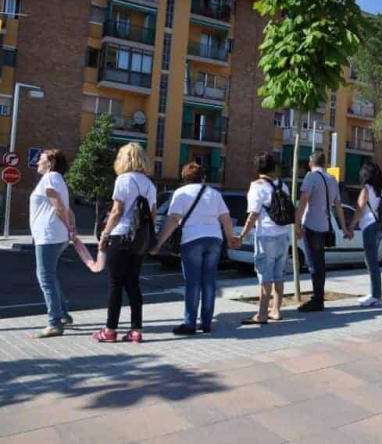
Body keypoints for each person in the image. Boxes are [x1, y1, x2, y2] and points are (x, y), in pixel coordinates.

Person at [153, 163, 237, 334]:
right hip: (214, 239)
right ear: (203, 177)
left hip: (192, 240)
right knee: (209, 282)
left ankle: (190, 323)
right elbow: (226, 218)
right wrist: (230, 239)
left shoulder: (181, 193)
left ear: (184, 179)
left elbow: (173, 220)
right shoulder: (214, 193)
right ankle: (206, 323)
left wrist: (157, 244)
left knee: (193, 283)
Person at [94, 143, 157, 343]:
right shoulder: (150, 185)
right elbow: (152, 216)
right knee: (133, 284)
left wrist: (104, 235)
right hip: (138, 240)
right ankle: (136, 330)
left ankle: (110, 330)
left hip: (120, 236)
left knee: (115, 284)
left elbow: (116, 211)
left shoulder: (123, 180)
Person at [235, 153, 293, 323]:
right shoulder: (283, 186)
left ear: (257, 168)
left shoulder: (257, 186)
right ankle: (276, 311)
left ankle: (261, 315)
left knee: (265, 277)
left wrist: (242, 236)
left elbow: (253, 215)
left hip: (265, 236)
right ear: (273, 167)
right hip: (283, 235)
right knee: (278, 276)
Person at [294, 151, 353, 313]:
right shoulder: (332, 180)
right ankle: (318, 297)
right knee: (320, 263)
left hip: (311, 224)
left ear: (310, 163)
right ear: (325, 163)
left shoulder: (310, 178)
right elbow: (338, 206)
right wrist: (344, 227)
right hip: (325, 226)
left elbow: (303, 202)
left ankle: (317, 299)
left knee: (314, 264)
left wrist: (297, 224)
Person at [30, 149, 76, 338]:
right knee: (49, 275)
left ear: (50, 162)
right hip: (54, 235)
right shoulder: (56, 178)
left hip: (49, 236)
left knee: (45, 278)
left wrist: (70, 228)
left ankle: (54, 323)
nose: (37, 162)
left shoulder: (50, 178)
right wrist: (71, 227)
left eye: (40, 159)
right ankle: (63, 314)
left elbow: (59, 206)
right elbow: (66, 208)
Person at [347, 161, 382, 305]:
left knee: (371, 261)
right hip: (378, 225)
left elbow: (359, 208)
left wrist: (351, 226)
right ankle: (375, 292)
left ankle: (376, 295)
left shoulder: (367, 188)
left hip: (368, 225)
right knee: (372, 260)